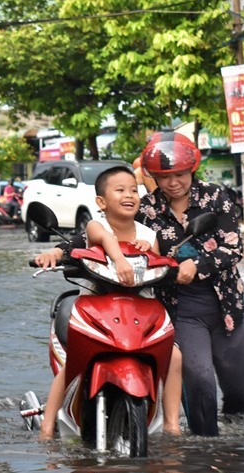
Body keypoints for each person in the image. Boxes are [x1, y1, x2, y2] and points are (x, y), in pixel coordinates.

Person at [34, 165, 183, 439]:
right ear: (101, 202)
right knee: (72, 364)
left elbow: (162, 265)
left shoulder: (148, 235)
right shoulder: (96, 225)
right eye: (120, 190)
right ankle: (47, 426)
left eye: (133, 190)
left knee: (174, 356)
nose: (129, 195)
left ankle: (172, 424)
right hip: (96, 308)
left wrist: (151, 252)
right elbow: (103, 239)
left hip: (140, 310)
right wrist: (119, 258)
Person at [137, 132, 244, 437]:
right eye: (164, 177)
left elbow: (233, 248)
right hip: (181, 308)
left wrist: (197, 264)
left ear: (192, 170)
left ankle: (235, 448)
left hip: (227, 304)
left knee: (240, 392)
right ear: (153, 177)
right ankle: (204, 452)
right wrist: (63, 251)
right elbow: (109, 231)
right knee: (200, 380)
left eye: (179, 174)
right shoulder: (146, 209)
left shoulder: (216, 198)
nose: (173, 182)